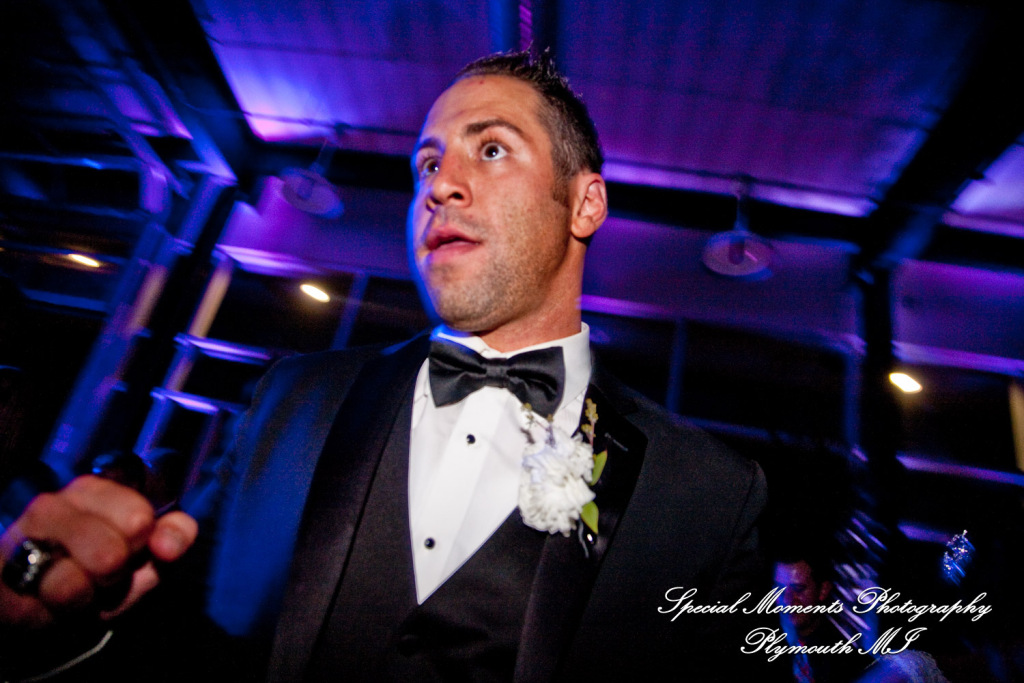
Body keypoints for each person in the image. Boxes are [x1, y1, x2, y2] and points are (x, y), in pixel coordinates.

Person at [0, 51, 768, 681]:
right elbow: (169, 633)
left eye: (491, 149)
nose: (440, 184)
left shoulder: (708, 493)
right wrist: (56, 622)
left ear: (585, 204)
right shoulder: (291, 400)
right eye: (427, 163)